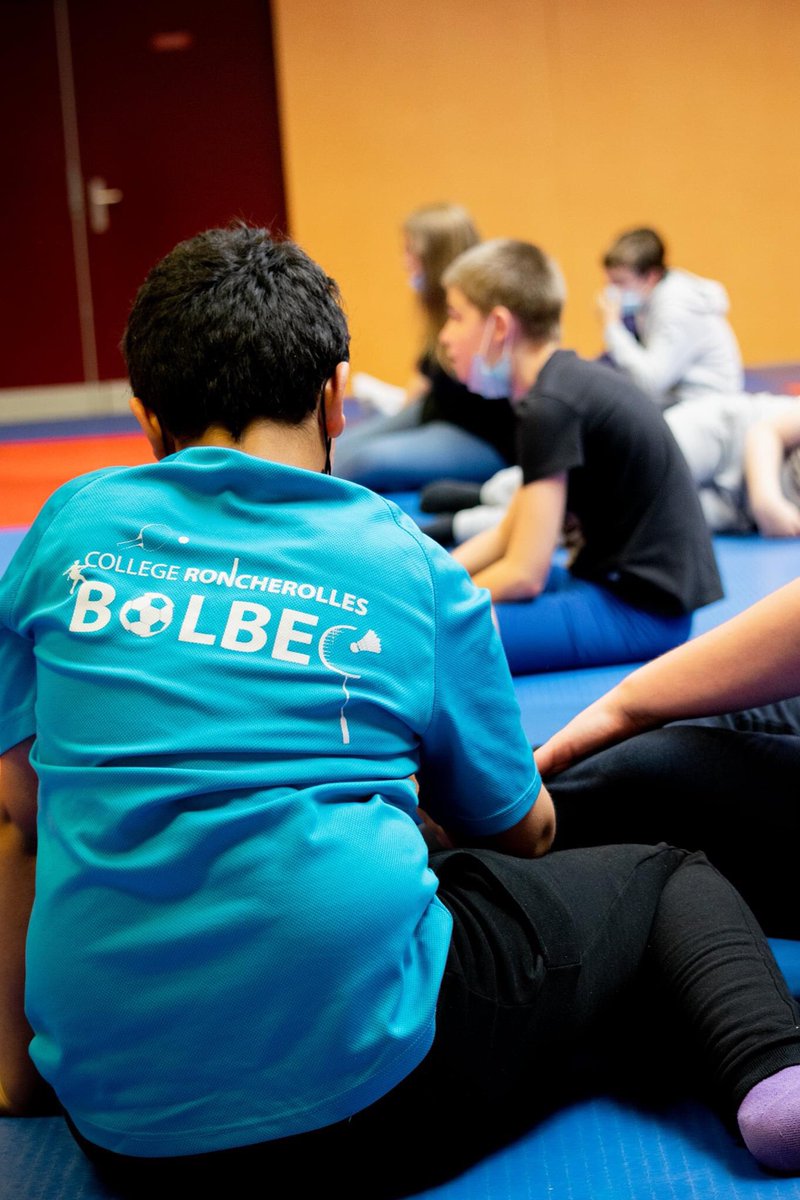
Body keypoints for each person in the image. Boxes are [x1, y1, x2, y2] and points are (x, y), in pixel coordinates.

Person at [1, 226, 800, 1193]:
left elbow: (23, 824)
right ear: (337, 392)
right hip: (366, 1097)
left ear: (143, 418)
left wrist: (20, 1076)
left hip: (116, 1123)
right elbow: (525, 835)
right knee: (667, 881)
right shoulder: (404, 561)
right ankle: (775, 1072)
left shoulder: (63, 531)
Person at [438, 238, 723, 675]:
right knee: (444, 615)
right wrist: (433, 581)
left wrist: (435, 610)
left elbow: (524, 572)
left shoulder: (550, 406)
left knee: (444, 640)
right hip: (610, 586)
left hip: (643, 613)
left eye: (456, 316)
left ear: (498, 326)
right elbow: (508, 534)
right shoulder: (558, 388)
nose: (445, 336)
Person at [535, 578, 800, 939]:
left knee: (649, 765)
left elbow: (526, 572)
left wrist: (624, 710)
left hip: (647, 611)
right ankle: (503, 801)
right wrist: (622, 710)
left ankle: (500, 820)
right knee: (652, 731)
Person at [334, 202, 516, 491]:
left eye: (410, 251)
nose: (405, 261)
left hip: (484, 437)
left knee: (367, 460)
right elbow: (427, 377)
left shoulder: (481, 310)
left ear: (434, 258)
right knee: (334, 446)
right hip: (436, 410)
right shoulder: (438, 307)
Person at [599, 226, 744, 407]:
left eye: (620, 282)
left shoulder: (677, 308)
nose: (613, 292)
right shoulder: (650, 301)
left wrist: (612, 327)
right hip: (681, 402)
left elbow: (650, 383)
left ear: (651, 276)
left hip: (707, 409)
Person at [664, 391, 800, 534]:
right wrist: (768, 502)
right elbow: (765, 432)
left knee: (658, 519)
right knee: (651, 469)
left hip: (737, 510)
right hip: (728, 436)